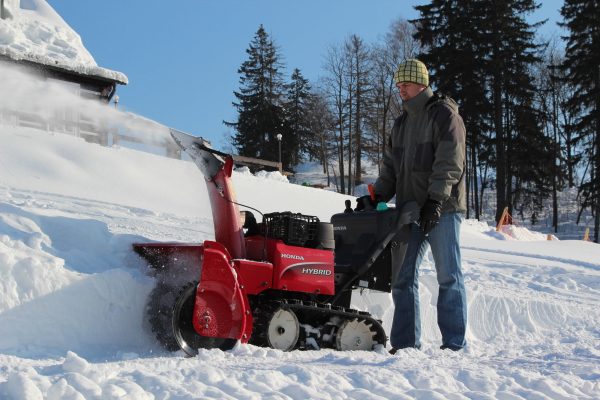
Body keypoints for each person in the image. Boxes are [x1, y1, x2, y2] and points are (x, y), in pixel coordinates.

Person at [358, 59, 467, 351]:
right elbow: (391, 167)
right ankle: (406, 346)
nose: (401, 91)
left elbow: (449, 163)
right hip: (410, 210)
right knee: (403, 278)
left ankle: (454, 344)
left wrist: (436, 201)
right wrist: (378, 195)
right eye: (398, 86)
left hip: (442, 208)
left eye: (405, 85)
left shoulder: (444, 115)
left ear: (421, 84)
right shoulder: (402, 122)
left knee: (448, 275)